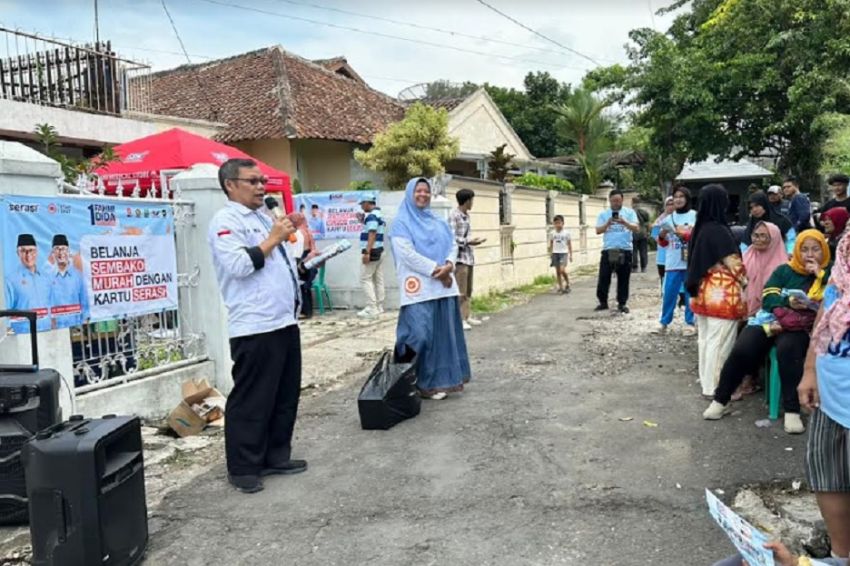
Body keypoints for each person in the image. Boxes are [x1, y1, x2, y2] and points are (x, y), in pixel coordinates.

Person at [207, 158, 306, 494]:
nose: (261, 187)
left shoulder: (265, 216)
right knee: (253, 399)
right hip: (255, 324)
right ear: (230, 185)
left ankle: (276, 455)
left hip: (284, 320)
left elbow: (288, 259)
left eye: (263, 180)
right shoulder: (225, 220)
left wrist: (292, 232)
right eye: (252, 181)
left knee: (284, 394)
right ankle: (244, 466)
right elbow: (237, 265)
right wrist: (274, 238)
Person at [703, 229, 831, 434]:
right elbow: (769, 296)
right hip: (772, 320)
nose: (809, 254)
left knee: (789, 350)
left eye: (815, 249)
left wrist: (820, 276)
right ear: (797, 250)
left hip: (801, 326)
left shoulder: (831, 274)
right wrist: (787, 302)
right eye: (804, 249)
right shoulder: (784, 271)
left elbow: (833, 301)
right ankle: (721, 400)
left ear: (823, 251)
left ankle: (792, 410)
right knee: (744, 347)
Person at [390, 177, 471, 401]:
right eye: (418, 191)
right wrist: (437, 270)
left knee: (442, 337)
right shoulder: (401, 222)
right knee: (417, 335)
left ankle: (433, 383)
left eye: (426, 191)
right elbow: (406, 254)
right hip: (418, 289)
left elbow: (453, 244)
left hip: (443, 287)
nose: (423, 195)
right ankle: (401, 380)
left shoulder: (438, 221)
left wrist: (449, 265)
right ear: (409, 193)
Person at [799, 232, 850, 558]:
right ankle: (841, 554)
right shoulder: (843, 267)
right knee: (828, 476)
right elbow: (825, 312)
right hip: (830, 398)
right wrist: (810, 370)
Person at [686, 184, 748, 398]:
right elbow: (735, 264)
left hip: (703, 294)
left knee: (706, 341)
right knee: (720, 343)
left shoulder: (700, 229)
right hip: (722, 296)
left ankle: (707, 383)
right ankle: (717, 389)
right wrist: (747, 282)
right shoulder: (719, 230)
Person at [656, 186, 697, 335]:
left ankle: (690, 322)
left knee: (689, 294)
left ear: (687, 199)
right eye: (676, 197)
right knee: (669, 293)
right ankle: (664, 322)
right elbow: (664, 243)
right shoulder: (668, 218)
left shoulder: (695, 216)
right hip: (672, 261)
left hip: (690, 262)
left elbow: (698, 237)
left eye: (682, 196)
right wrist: (662, 235)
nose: (678, 199)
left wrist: (685, 233)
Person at [594, 189, 640, 313]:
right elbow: (598, 230)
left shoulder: (629, 213)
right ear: (609, 200)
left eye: (618, 201)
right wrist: (607, 224)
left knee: (624, 278)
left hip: (625, 249)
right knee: (604, 277)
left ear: (622, 200)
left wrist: (624, 222)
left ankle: (622, 303)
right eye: (613, 201)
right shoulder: (604, 214)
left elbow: (636, 228)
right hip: (609, 249)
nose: (616, 203)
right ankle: (603, 302)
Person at [449, 188, 486, 330]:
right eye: (472, 200)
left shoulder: (466, 216)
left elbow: (466, 235)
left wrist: (473, 240)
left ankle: (467, 315)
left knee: (468, 289)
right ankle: (459, 319)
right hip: (459, 258)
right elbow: (451, 237)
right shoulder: (454, 215)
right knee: (461, 290)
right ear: (467, 200)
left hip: (468, 256)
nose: (473, 203)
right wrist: (467, 241)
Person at [4, 234, 51, 333]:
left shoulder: (46, 278)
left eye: (31, 250)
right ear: (18, 253)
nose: (28, 254)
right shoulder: (11, 280)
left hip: (48, 332)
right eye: (23, 251)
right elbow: (5, 313)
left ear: (36, 252)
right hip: (23, 335)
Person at [48, 234, 88, 329]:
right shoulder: (47, 277)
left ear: (68, 251)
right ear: (53, 252)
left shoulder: (78, 276)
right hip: (55, 329)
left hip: (76, 328)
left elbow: (84, 303)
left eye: (63, 249)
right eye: (57, 249)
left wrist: (84, 322)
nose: (61, 252)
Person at [357, 193, 386, 319]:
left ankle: (372, 308)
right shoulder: (379, 214)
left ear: (368, 203)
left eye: (362, 204)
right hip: (380, 250)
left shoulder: (372, 216)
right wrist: (362, 221)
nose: (362, 207)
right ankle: (379, 306)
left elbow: (372, 234)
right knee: (378, 279)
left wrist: (366, 252)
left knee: (365, 279)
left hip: (372, 251)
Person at [287, 212, 319, 319]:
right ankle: (307, 311)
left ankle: (303, 310)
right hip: (310, 261)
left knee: (300, 286)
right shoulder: (308, 231)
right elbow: (313, 248)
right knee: (305, 286)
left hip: (302, 259)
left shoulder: (297, 233)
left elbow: (295, 252)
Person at [652, 196, 675, 289]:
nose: (670, 207)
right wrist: (662, 239)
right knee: (664, 280)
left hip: (677, 255)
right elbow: (654, 234)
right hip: (663, 256)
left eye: (672, 204)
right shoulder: (659, 220)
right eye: (668, 204)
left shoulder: (681, 218)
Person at [549, 214, 573, 294]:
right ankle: (560, 287)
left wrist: (571, 255)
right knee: (557, 271)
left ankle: (568, 283)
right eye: (556, 223)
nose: (558, 225)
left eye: (559, 223)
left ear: (563, 223)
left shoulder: (566, 233)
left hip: (564, 253)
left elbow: (569, 244)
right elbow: (551, 243)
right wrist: (551, 253)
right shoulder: (552, 233)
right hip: (555, 253)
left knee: (562, 270)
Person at [631, 195, 650, 273]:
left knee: (634, 251)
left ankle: (634, 267)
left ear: (632, 202)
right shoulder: (644, 211)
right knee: (643, 251)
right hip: (643, 233)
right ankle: (644, 267)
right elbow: (648, 222)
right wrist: (648, 232)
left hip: (634, 233)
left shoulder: (631, 212)